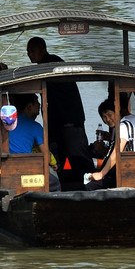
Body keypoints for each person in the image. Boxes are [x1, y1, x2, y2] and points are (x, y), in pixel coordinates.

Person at [27, 36, 91, 190]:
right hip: (58, 121)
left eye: (33, 51)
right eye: (28, 52)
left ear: (43, 50)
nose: (29, 54)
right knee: (60, 155)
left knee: (78, 155)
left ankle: (89, 184)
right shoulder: (45, 65)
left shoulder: (51, 64)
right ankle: (64, 183)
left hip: (69, 120)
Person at [88, 98, 135, 188]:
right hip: (129, 169)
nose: (108, 119)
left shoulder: (123, 126)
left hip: (134, 171)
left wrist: (101, 174)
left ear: (117, 112)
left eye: (109, 114)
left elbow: (117, 152)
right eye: (104, 117)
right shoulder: (122, 125)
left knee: (89, 187)